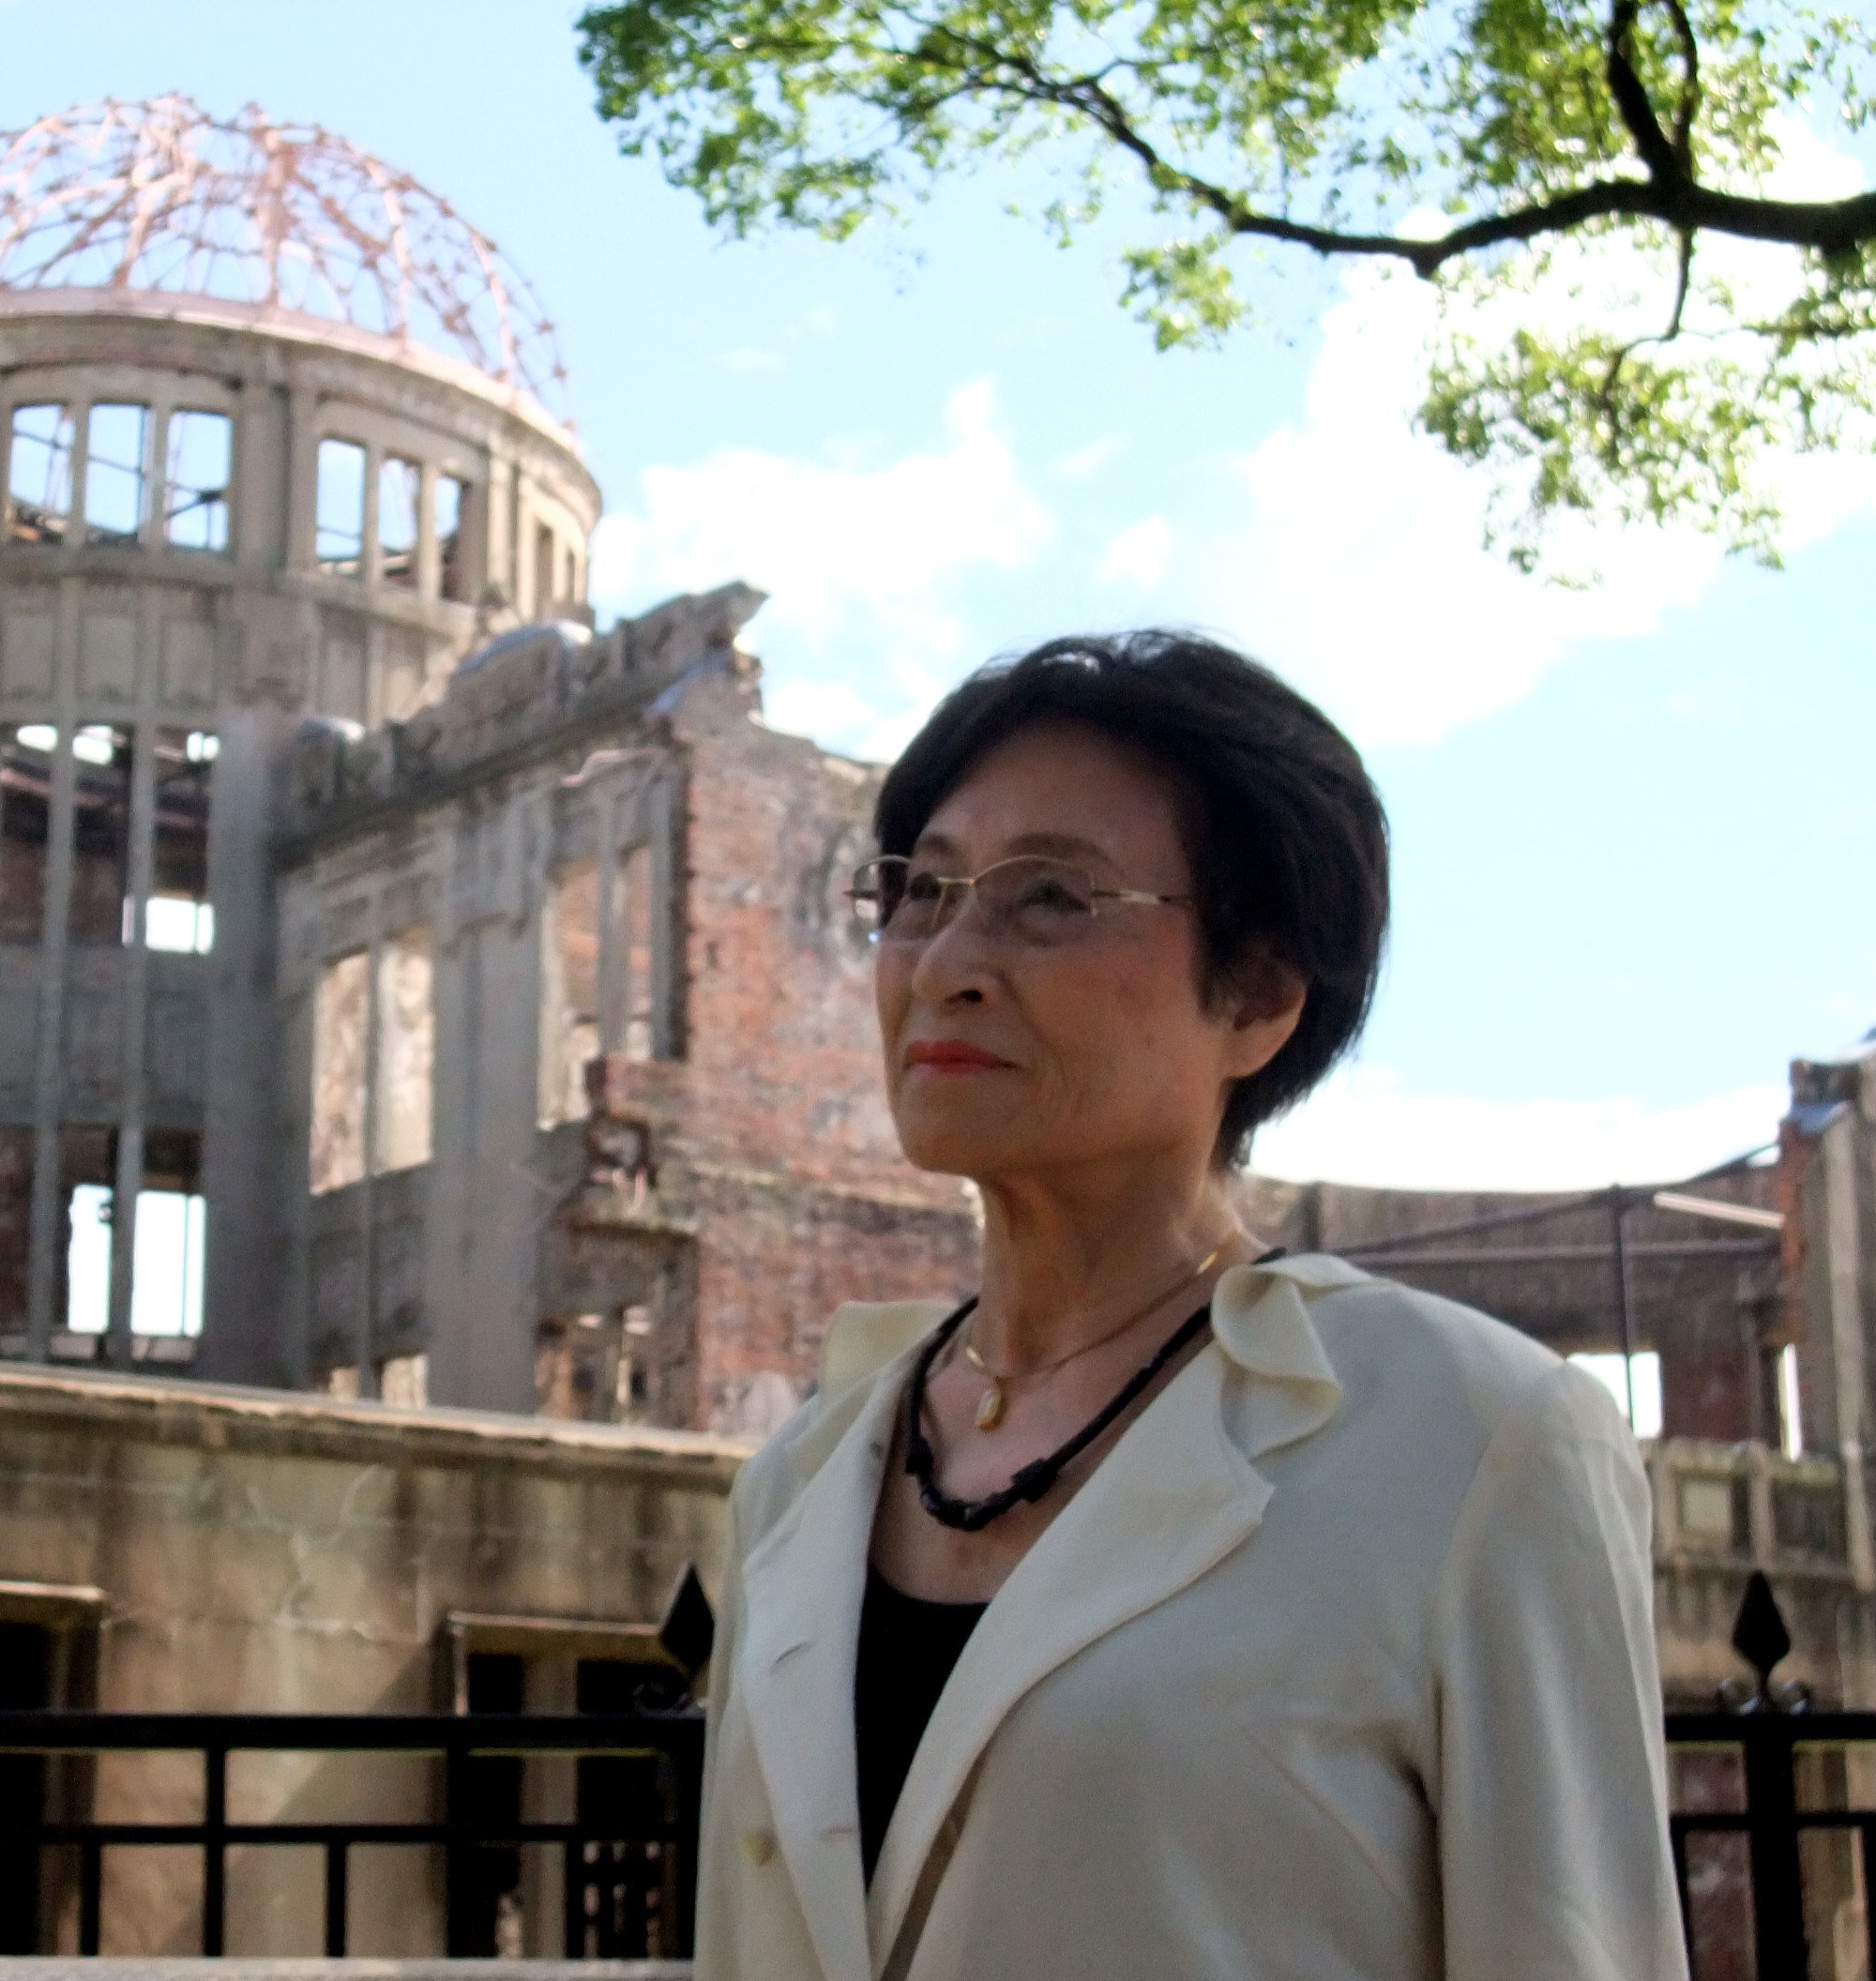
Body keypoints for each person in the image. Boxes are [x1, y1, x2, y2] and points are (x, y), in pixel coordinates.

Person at [690, 631, 1687, 1981]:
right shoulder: (804, 1479)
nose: (946, 960)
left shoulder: (1472, 1444)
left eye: (1051, 899)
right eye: (919, 892)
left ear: (1263, 994)